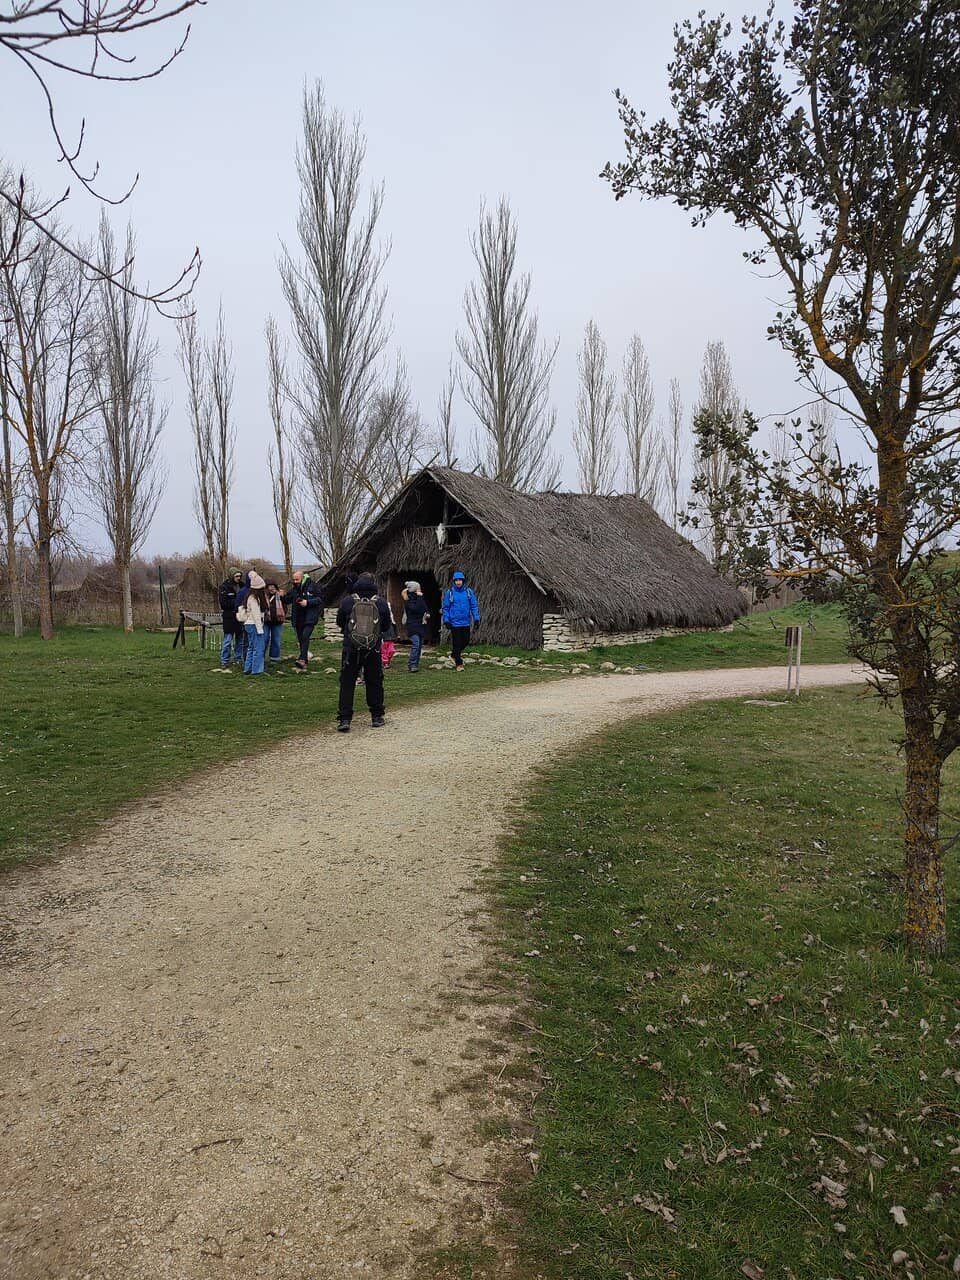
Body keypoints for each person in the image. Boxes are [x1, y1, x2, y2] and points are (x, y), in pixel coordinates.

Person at [334, 572, 391, 732]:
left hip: (350, 648)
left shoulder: (347, 601)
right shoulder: (380, 602)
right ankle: (377, 716)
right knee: (374, 680)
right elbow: (386, 626)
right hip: (373, 648)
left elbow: (340, 622)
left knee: (347, 682)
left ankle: (345, 719)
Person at [283, 570, 324, 671]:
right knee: (301, 639)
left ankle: (302, 659)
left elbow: (320, 599)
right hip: (298, 618)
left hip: (310, 618)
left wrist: (307, 602)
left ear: (303, 578)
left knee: (305, 636)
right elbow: (287, 600)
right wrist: (281, 595)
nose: (295, 581)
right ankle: (304, 659)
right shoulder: (295, 589)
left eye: (297, 579)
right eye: (294, 580)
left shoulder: (313, 586)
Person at [441, 570, 480, 671]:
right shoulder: (450, 593)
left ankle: (454, 655)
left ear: (463, 581)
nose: (458, 582)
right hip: (454, 622)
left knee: (465, 641)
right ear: (454, 582)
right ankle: (459, 664)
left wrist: (476, 619)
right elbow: (446, 608)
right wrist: (446, 620)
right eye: (456, 580)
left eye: (460, 580)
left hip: (465, 622)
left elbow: (474, 606)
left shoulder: (468, 592)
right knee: (457, 643)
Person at [217, 567, 244, 670]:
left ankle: (238, 658)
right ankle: (225, 660)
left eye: (239, 576)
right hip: (229, 617)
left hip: (240, 617)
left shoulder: (242, 586)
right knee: (228, 641)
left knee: (240, 640)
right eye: (236, 576)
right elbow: (223, 603)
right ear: (231, 576)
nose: (238, 578)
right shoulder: (224, 587)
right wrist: (237, 602)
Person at [401, 580, 430, 673]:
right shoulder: (408, 600)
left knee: (420, 645)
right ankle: (412, 664)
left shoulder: (420, 598)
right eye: (418, 588)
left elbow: (424, 608)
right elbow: (415, 609)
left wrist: (427, 613)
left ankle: (415, 664)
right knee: (416, 644)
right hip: (412, 625)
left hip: (421, 624)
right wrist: (420, 598)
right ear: (415, 589)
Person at [263, 581, 286, 661]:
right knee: (264, 639)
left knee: (276, 639)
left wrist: (282, 615)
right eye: (269, 587)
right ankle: (261, 656)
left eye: (273, 587)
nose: (271, 589)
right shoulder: (263, 596)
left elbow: (284, 605)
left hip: (277, 621)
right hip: (266, 621)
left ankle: (274, 657)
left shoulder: (281, 596)